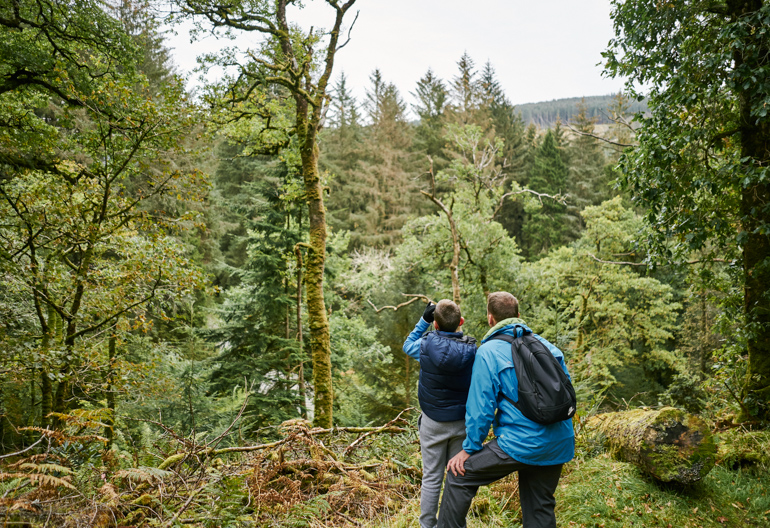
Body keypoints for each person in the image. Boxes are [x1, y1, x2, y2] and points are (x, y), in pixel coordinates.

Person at [437, 292, 574, 528]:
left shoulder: (488, 352)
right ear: (519, 316)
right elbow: (567, 395)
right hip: (558, 440)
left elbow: (481, 408)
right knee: (539, 506)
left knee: (459, 475)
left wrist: (469, 448)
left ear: (490, 319)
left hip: (519, 443)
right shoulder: (549, 347)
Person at [403, 299, 478, 528]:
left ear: (434, 325)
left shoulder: (425, 347)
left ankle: (428, 525)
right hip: (461, 423)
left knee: (432, 478)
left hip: (433, 422)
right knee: (457, 476)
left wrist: (424, 320)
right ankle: (455, 524)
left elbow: (408, 345)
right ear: (461, 322)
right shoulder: (473, 351)